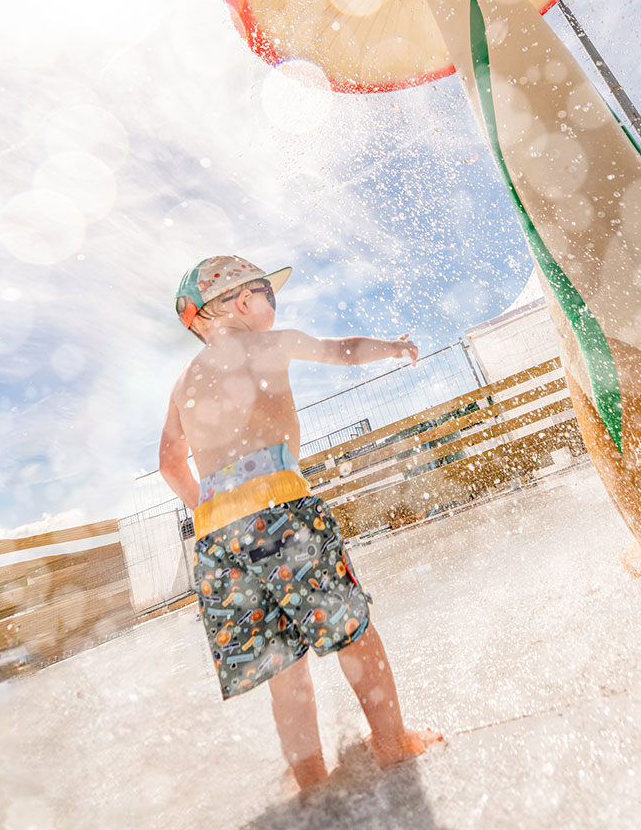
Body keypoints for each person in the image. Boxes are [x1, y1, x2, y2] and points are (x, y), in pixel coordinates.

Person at [159, 255, 443, 790]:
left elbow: (169, 462)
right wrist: (392, 346)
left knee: (281, 661)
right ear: (244, 300)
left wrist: (211, 509)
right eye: (270, 294)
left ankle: (310, 774)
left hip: (218, 532)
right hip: (280, 508)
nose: (275, 305)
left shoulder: (183, 382)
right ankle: (391, 744)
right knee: (351, 633)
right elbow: (343, 351)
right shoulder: (271, 342)